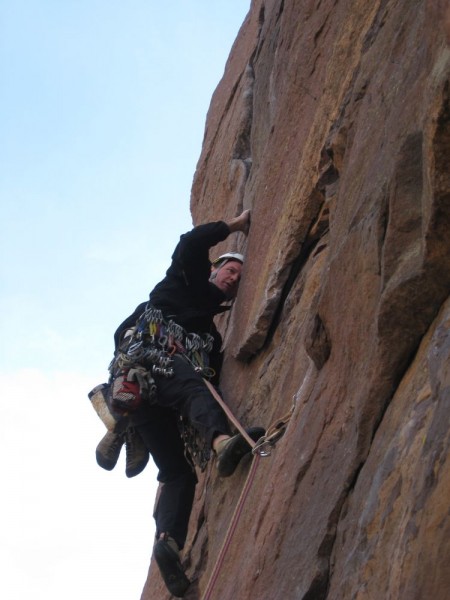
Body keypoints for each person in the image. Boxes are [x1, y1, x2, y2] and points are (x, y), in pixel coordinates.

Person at [94, 209, 264, 598]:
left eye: (238, 278)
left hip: (154, 403)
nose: (233, 279)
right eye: (229, 270)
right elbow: (190, 243)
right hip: (152, 364)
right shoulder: (184, 280)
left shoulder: (209, 337)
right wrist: (235, 225)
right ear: (212, 270)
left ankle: (168, 541)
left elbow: (212, 383)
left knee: (177, 472)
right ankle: (221, 445)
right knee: (190, 385)